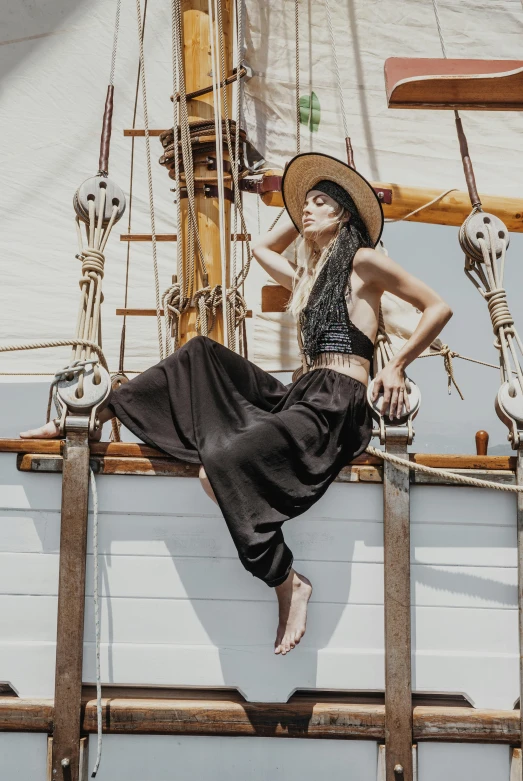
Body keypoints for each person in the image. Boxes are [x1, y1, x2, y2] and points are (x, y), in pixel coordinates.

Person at [21, 153, 452, 656]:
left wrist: (396, 364)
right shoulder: (310, 278)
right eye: (305, 203)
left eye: (319, 204)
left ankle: (286, 580)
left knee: (217, 466)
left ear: (344, 216)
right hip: (302, 396)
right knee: (200, 353)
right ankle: (99, 413)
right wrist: (300, 216)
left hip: (336, 405)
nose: (306, 210)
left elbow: (437, 307)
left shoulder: (363, 262)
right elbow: (265, 246)